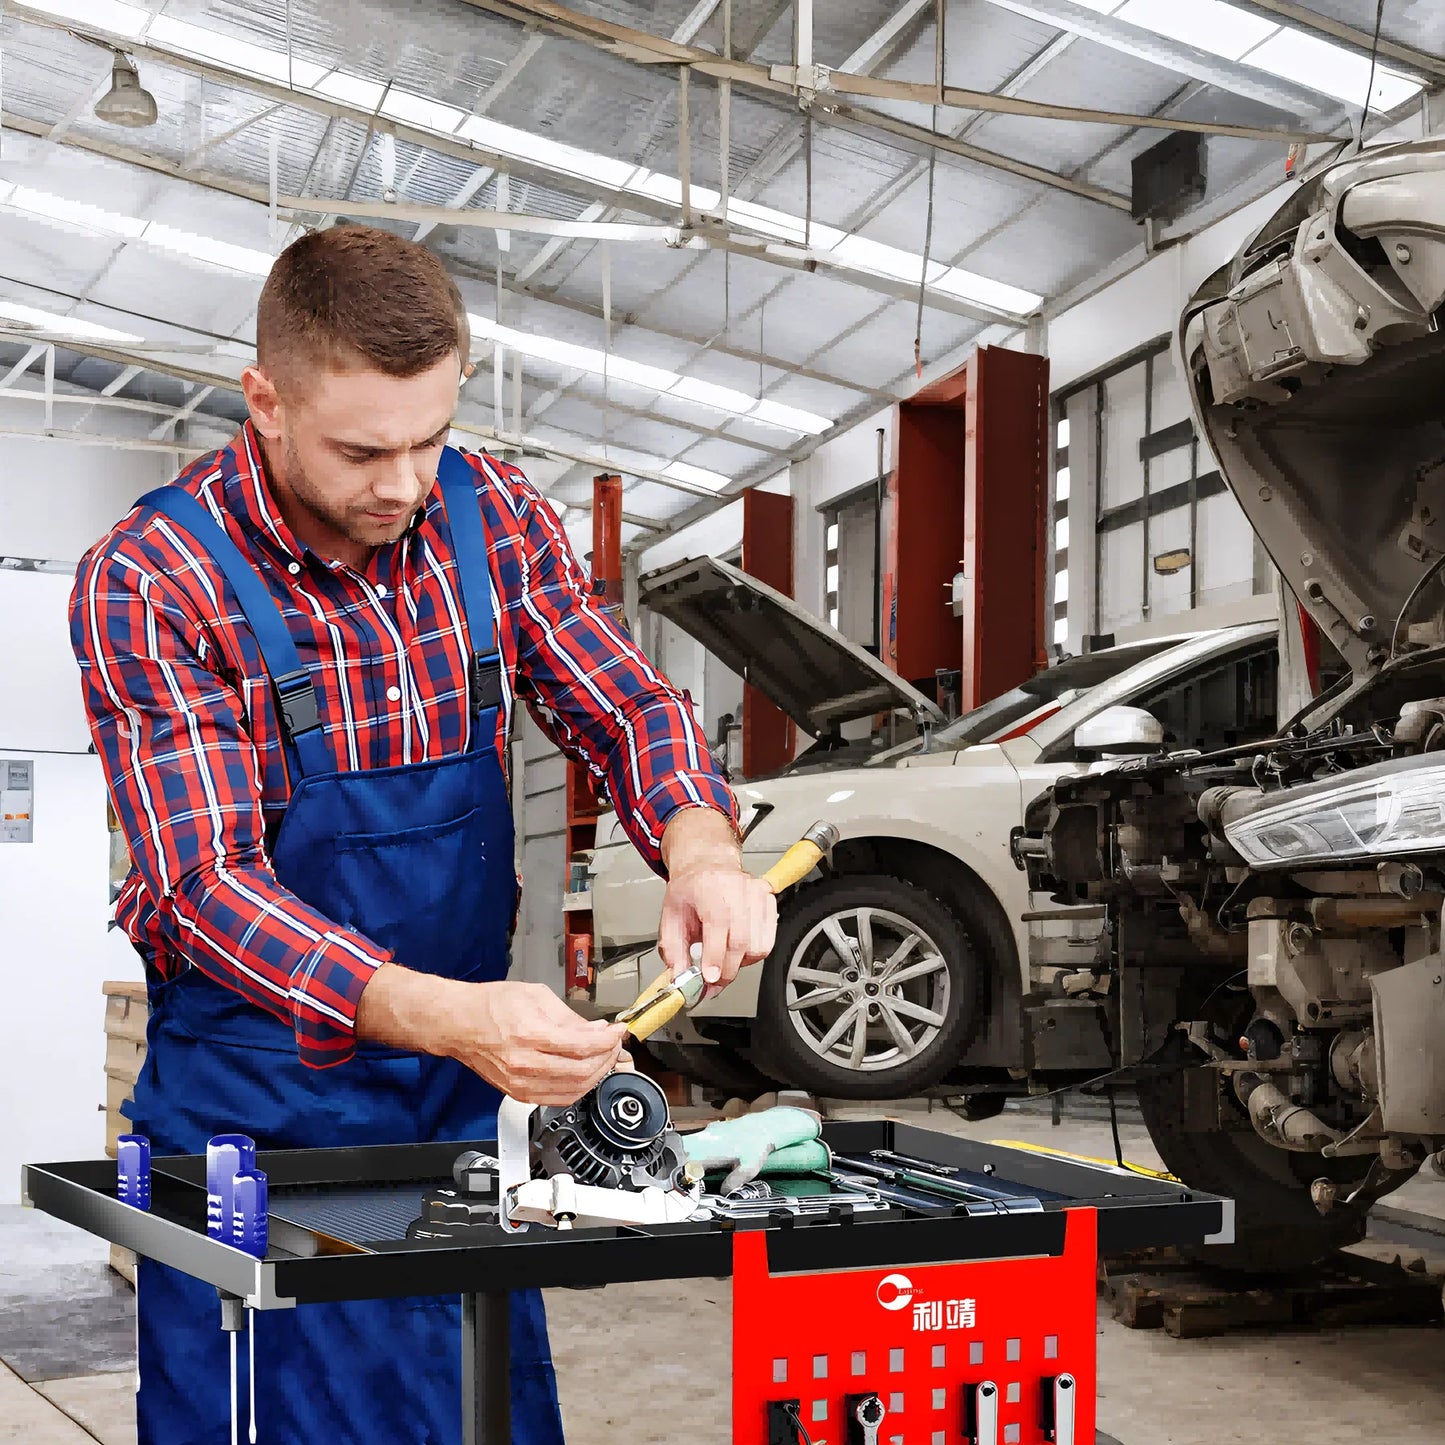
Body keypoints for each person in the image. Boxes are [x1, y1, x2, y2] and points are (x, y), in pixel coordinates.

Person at [71, 223, 778, 1444]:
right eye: (362, 448)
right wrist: (458, 1013)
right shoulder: (153, 578)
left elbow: (622, 698)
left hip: (457, 1124)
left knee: (471, 1417)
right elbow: (200, 884)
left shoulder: (486, 511)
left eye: (430, 437)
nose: (402, 482)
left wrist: (701, 843)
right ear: (265, 399)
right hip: (256, 1134)